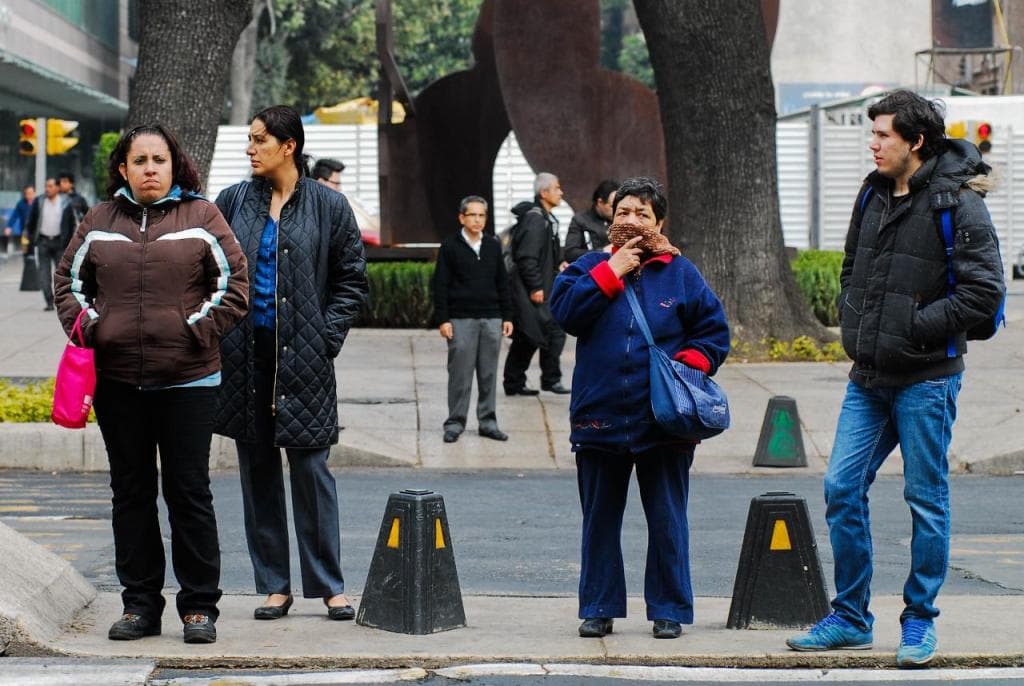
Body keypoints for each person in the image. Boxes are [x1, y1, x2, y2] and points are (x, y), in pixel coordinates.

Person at [785, 91, 1005, 668]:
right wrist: (855, 320)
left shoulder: (958, 203)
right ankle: (852, 616)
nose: (873, 143)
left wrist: (913, 328)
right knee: (840, 488)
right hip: (869, 375)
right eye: (872, 133)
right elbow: (853, 266)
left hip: (927, 378)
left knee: (925, 499)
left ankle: (919, 622)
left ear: (916, 141)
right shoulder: (872, 192)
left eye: (883, 134)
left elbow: (985, 294)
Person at [52, 124, 249, 644]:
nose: (149, 169)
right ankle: (140, 605)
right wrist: (95, 327)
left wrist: (195, 330)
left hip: (189, 381)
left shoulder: (202, 216)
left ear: (172, 164)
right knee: (131, 494)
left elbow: (233, 284)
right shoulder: (98, 221)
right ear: (124, 168)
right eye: (139, 160)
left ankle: (199, 607)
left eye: (158, 159)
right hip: (118, 383)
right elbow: (68, 284)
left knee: (189, 493)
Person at [550, 176, 730, 640]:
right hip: (599, 416)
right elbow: (566, 313)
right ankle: (598, 607)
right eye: (624, 211)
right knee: (599, 522)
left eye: (642, 214)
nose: (631, 220)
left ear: (659, 222)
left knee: (668, 520)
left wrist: (683, 368)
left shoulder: (680, 272)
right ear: (611, 216)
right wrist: (612, 271)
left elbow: (713, 334)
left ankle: (668, 609)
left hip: (664, 422)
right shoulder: (587, 266)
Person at [214, 105, 369, 623]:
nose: (250, 148)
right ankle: (274, 585)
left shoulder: (328, 205)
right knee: (257, 472)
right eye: (249, 139)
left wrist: (326, 337)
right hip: (243, 356)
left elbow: (351, 280)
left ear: (289, 146)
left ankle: (329, 585)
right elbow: (210, 268)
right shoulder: (234, 200)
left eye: (259, 140)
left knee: (310, 470)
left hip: (304, 355)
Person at [433, 195, 514, 444]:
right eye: (473, 215)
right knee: (460, 375)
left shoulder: (492, 245)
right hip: (460, 320)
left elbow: (502, 282)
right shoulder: (450, 246)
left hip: (491, 319)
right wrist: (443, 319)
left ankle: (488, 422)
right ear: (462, 217)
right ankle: (455, 422)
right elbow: (440, 285)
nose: (478, 220)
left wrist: (507, 316)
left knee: (488, 374)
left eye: (482, 216)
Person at [503, 172, 569, 396]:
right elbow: (527, 257)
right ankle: (518, 382)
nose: (561, 192)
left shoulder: (544, 218)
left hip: (542, 287)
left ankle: (534, 380)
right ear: (544, 193)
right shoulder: (535, 219)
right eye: (557, 188)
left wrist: (558, 263)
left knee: (537, 334)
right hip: (531, 290)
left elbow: (542, 255)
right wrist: (535, 287)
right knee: (531, 335)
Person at [24, 177, 65, 310]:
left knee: (61, 275)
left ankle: (61, 301)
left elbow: (70, 224)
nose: (48, 189)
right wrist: (30, 239)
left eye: (51, 186)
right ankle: (49, 301)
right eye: (46, 186)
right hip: (43, 242)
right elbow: (31, 221)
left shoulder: (65, 202)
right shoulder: (39, 201)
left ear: (57, 188)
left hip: (60, 243)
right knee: (43, 274)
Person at [563, 179, 618, 263]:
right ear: (600, 202)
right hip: (591, 271)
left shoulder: (619, 219)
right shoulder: (580, 220)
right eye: (612, 206)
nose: (616, 210)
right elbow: (570, 253)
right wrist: (602, 251)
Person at [57, 171, 90, 250]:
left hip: (72, 239)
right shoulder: (56, 198)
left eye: (65, 181)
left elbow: (88, 216)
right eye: (60, 182)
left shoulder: (79, 199)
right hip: (56, 238)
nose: (61, 184)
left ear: (71, 184)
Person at [2, 184, 33, 258]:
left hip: (36, 233)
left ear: (34, 193)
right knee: (26, 253)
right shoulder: (21, 204)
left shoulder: (38, 203)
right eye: (27, 194)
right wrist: (9, 227)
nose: (29, 196)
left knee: (34, 254)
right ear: (25, 194)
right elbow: (14, 215)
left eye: (31, 193)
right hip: (25, 232)